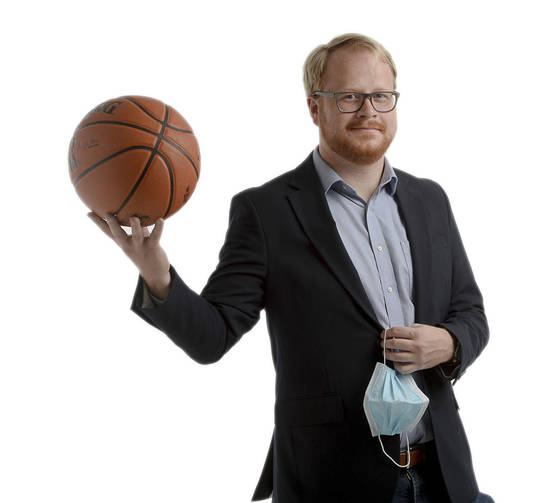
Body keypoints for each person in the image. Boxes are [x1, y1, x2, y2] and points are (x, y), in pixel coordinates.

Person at [88, 33, 492, 503]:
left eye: (381, 96)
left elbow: (471, 314)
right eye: (349, 97)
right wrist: (156, 273)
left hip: (443, 477)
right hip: (331, 483)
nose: (368, 111)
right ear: (315, 108)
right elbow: (211, 337)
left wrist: (449, 343)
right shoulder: (267, 212)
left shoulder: (430, 200)